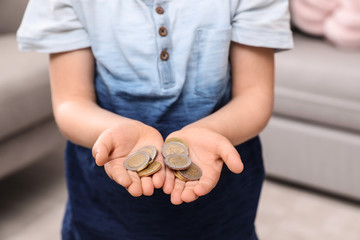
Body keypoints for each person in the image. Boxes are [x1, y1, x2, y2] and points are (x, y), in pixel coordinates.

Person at [17, 0, 293, 239]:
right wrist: (113, 129)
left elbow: (254, 96)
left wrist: (212, 129)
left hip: (222, 206)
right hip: (103, 204)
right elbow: (70, 101)